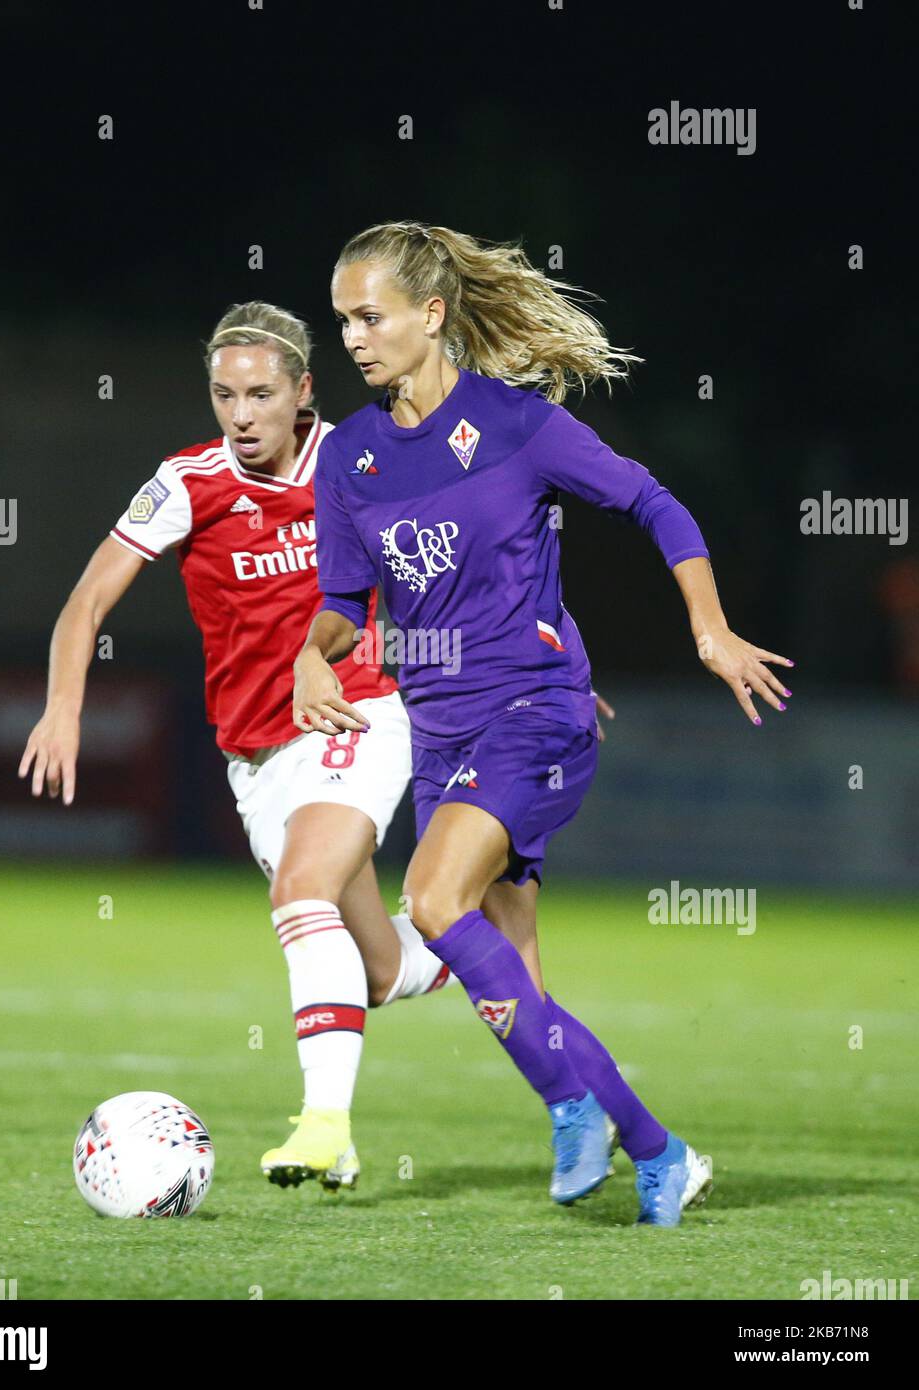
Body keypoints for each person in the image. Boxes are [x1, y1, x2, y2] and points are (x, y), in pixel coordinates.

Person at [294, 222, 793, 1225]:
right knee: (516, 986)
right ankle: (661, 1152)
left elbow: (655, 503)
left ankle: (569, 1105)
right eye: (343, 317)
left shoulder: (515, 424)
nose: (352, 337)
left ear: (432, 316)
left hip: (537, 712)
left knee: (433, 901)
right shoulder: (348, 456)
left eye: (371, 315)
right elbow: (344, 602)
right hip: (443, 732)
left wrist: (711, 628)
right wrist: (315, 651)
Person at [18, 300, 457, 1194]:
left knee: (302, 891)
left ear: (303, 392)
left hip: (359, 713)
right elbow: (84, 605)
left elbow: (469, 563)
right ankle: (474, 925)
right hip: (255, 757)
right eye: (224, 396)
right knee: (380, 970)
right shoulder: (188, 483)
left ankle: (326, 1124)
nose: (241, 415)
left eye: (260, 395)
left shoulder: (365, 458)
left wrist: (536, 657)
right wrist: (63, 707)